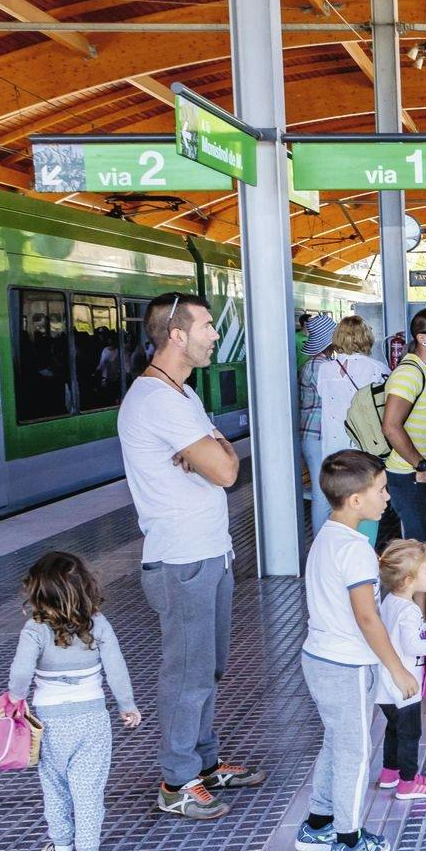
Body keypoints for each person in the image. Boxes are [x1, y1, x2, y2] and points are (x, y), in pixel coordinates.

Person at [116, 292, 265, 822]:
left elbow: (219, 456)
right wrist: (216, 451)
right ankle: (177, 779)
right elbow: (228, 471)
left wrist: (211, 447)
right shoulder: (155, 399)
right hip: (181, 561)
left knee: (209, 668)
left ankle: (203, 762)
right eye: (207, 325)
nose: (215, 334)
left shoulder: (181, 394)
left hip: (209, 554)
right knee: (187, 673)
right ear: (176, 334)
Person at [296, 450, 419, 851]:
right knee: (354, 750)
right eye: (381, 490)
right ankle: (348, 841)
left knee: (337, 740)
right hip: (345, 664)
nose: (386, 497)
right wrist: (397, 668)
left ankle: (318, 822)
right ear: (355, 501)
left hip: (318, 657)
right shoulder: (357, 551)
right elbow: (367, 617)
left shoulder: (327, 536)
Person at [10, 550, 141, 851]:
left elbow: (21, 671)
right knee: (88, 792)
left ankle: (61, 845)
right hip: (92, 720)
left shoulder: (34, 629)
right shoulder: (97, 624)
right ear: (86, 587)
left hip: (49, 722)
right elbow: (116, 670)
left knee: (53, 786)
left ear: (37, 590)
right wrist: (127, 706)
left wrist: (15, 699)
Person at [379, 306, 426, 615]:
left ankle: (417, 623)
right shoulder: (409, 373)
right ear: (422, 338)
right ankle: (413, 626)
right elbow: (391, 425)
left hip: (423, 474)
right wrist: (420, 466)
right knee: (422, 555)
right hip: (410, 476)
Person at [375, 538, 426, 800]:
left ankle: (389, 772)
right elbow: (411, 645)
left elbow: (398, 635)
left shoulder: (389, 602)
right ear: (408, 580)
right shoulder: (409, 609)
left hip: (386, 686)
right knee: (410, 733)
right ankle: (408, 781)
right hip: (405, 685)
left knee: (394, 729)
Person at [313, 315, 388, 537]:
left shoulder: (324, 370)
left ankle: (331, 546)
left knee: (337, 504)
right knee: (366, 502)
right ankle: (362, 548)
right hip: (364, 447)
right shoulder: (377, 368)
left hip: (333, 449)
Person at [296, 313, 338, 535]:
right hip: (317, 434)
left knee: (323, 489)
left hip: (316, 434)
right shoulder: (320, 366)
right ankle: (321, 539)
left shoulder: (320, 364)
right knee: (322, 491)